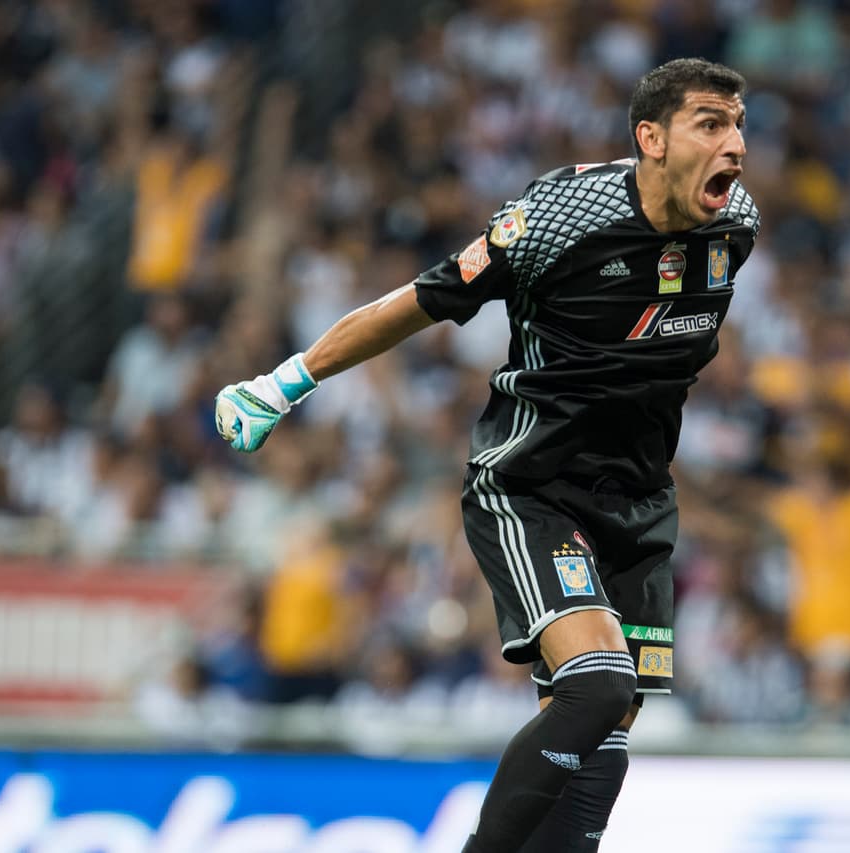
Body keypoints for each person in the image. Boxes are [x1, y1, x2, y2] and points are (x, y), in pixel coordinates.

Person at [214, 58, 757, 852]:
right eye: (712, 123)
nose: (736, 145)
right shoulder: (558, 218)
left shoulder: (734, 224)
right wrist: (287, 379)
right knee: (599, 681)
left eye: (741, 125)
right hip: (532, 486)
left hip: (639, 500)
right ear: (651, 137)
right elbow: (422, 301)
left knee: (609, 716)